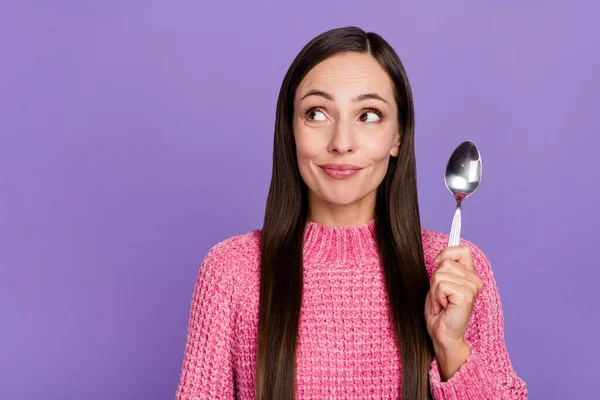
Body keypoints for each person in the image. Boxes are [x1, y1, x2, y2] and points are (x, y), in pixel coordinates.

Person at [175, 26, 528, 400]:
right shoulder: (231, 271)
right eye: (316, 113)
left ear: (398, 137)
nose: (341, 143)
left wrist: (451, 347)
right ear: (290, 130)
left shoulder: (454, 274)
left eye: (369, 115)